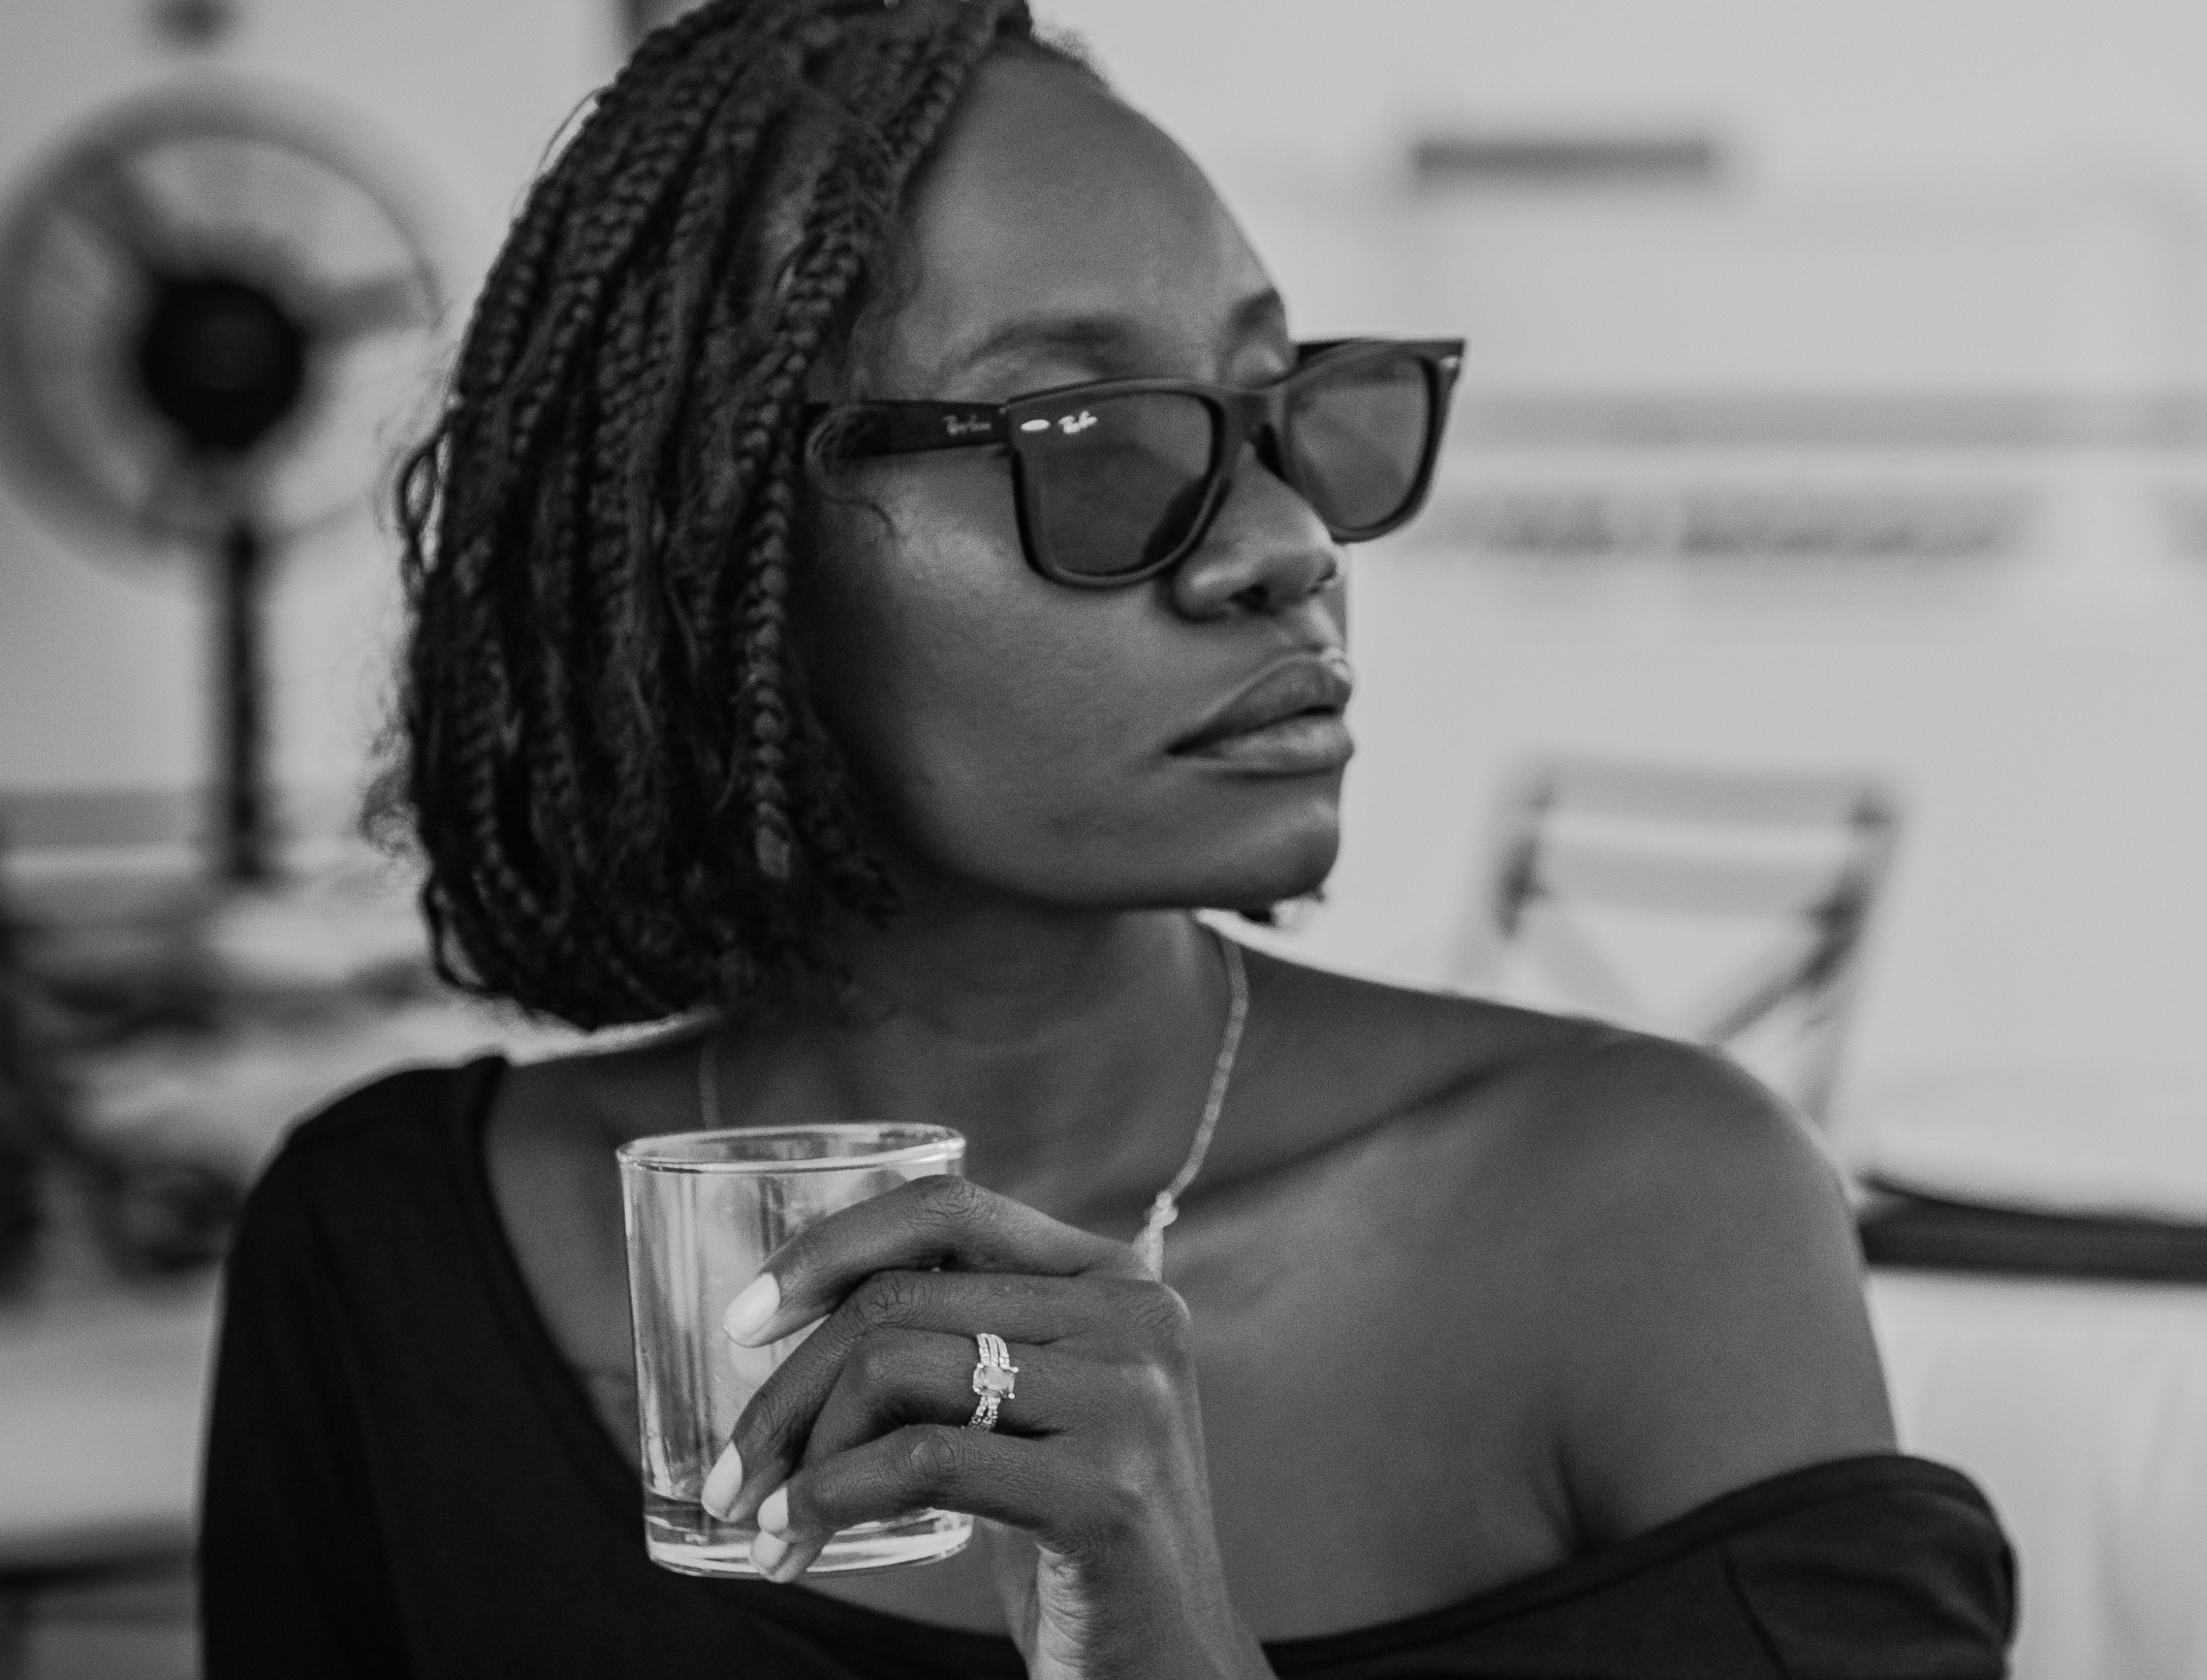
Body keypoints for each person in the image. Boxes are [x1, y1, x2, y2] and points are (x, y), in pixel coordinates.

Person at [194, 2, 2016, 1675]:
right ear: (721, 553)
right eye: (1091, 441)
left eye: (1279, 410)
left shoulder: (1647, 1215)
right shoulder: (395, 1260)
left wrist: (1164, 1631)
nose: (1290, 543)